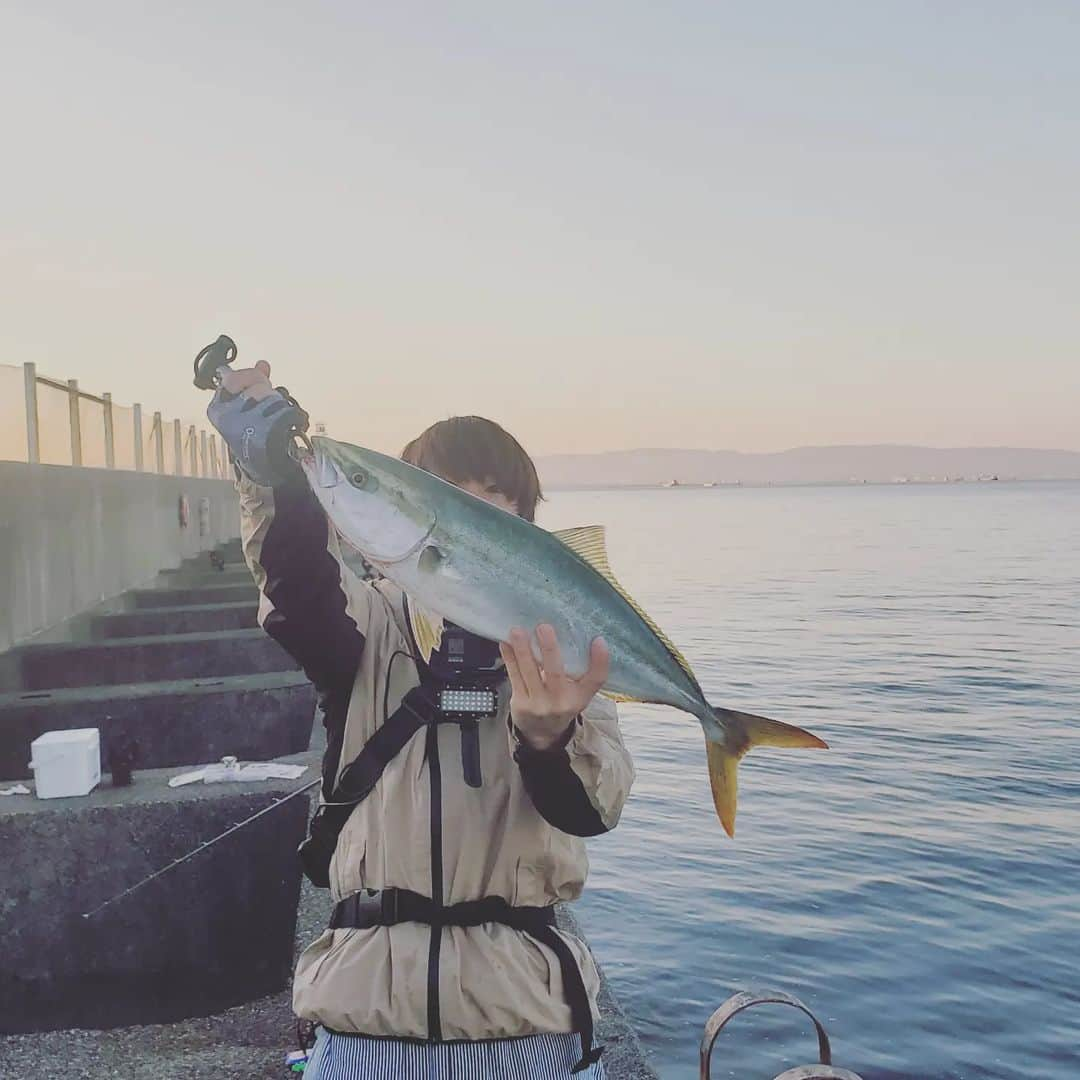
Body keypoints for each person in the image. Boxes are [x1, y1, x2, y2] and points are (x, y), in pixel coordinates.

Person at [217, 361, 635, 1079]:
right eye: (447, 503)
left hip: (527, 1021)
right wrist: (273, 472)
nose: (470, 533)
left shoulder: (566, 656)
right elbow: (297, 591)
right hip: (363, 1019)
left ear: (527, 533)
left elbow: (594, 809)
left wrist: (548, 738)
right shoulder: (368, 626)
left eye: (494, 511)